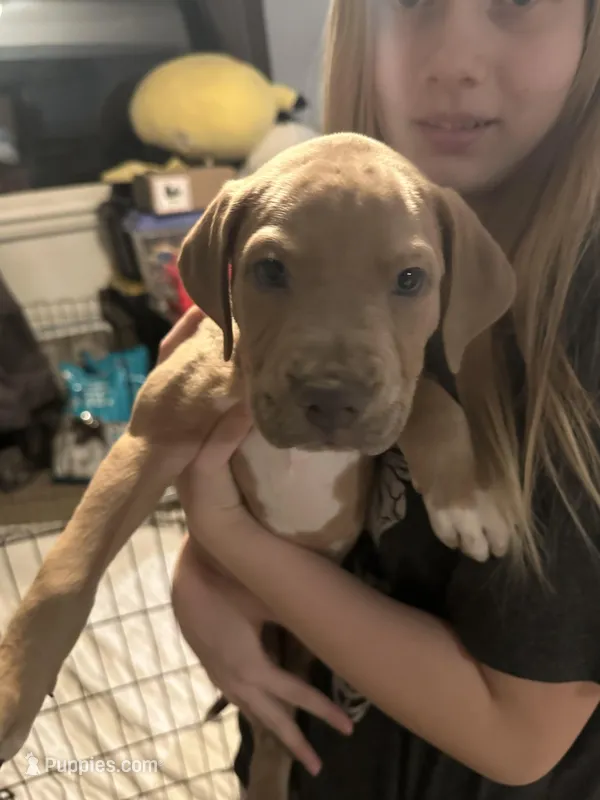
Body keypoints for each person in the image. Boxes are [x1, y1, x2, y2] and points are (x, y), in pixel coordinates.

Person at [162, 1, 600, 797]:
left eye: (515, 1)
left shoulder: (583, 329)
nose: (453, 62)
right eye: (408, 1)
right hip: (307, 741)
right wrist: (203, 572)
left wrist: (232, 544)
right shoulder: (334, 219)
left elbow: (520, 738)